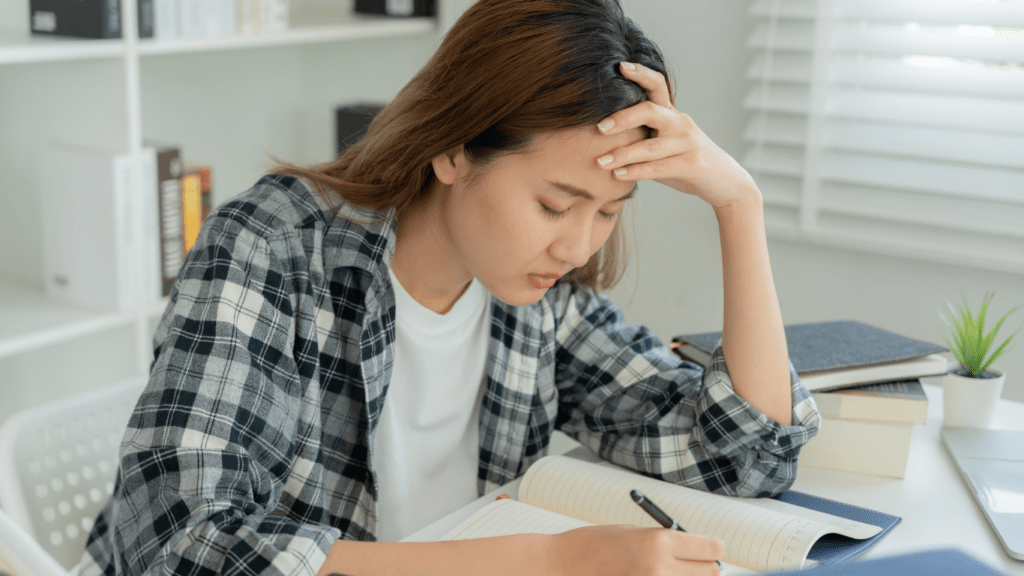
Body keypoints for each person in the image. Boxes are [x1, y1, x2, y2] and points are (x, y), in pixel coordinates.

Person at [78, 1, 821, 575]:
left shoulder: (536, 295)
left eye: (608, 211)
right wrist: (551, 561)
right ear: (454, 151)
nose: (576, 244)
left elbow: (743, 457)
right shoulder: (274, 246)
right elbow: (182, 550)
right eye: (555, 204)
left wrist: (738, 206)